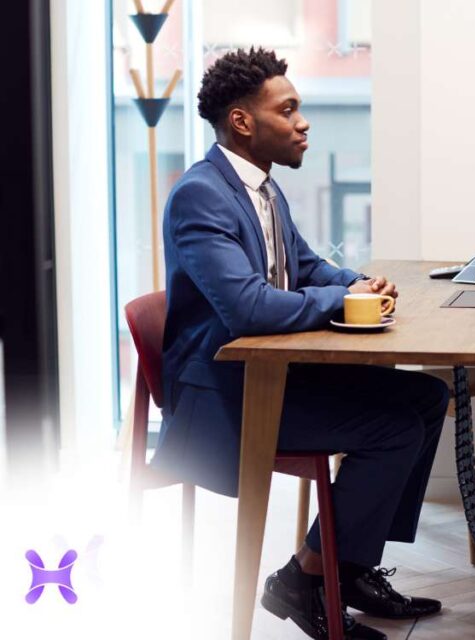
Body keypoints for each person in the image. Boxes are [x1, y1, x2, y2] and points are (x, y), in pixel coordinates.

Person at [154, 47, 449, 640]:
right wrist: (342, 303)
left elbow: (306, 266)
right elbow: (245, 307)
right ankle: (304, 580)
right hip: (224, 397)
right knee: (393, 428)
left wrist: (357, 284)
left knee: (425, 397)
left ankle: (351, 569)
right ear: (243, 121)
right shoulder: (201, 195)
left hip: (270, 378)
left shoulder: (261, 189)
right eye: (288, 110)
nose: (303, 121)